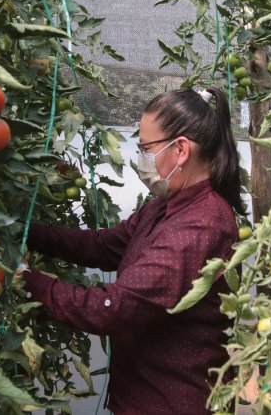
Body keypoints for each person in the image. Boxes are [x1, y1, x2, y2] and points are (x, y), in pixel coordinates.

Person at [20, 86, 246, 415]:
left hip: (173, 402)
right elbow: (103, 246)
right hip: (144, 397)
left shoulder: (203, 225)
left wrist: (30, 282)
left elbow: (116, 308)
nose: (141, 158)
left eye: (146, 148)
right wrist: (28, 233)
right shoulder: (165, 209)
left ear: (180, 149)